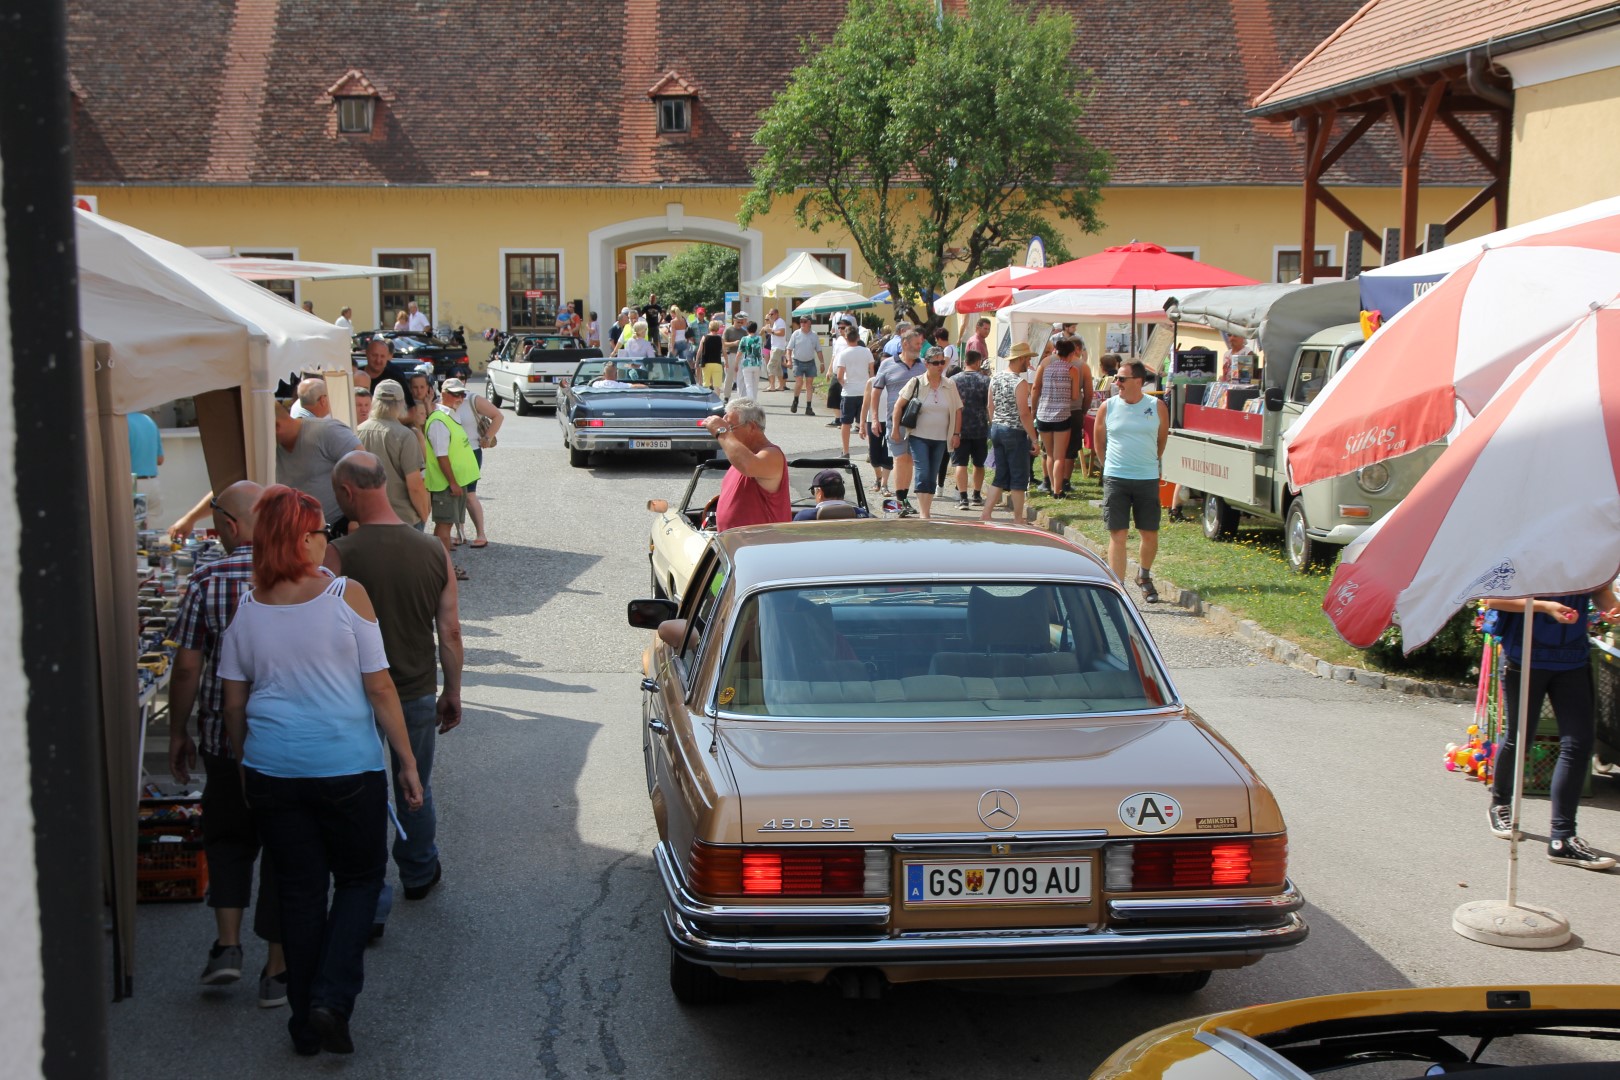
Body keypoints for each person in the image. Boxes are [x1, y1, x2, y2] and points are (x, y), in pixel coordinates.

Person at [218, 485, 423, 1057]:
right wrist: (406, 762)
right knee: (359, 880)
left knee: (300, 891)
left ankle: (305, 1021)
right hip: (345, 767)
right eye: (318, 532)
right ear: (302, 537)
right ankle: (331, 1000)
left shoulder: (249, 605)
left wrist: (243, 763)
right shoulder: (345, 595)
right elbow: (380, 687)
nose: (323, 540)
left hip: (271, 767)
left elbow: (234, 702)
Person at [167, 480, 287, 1008]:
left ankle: (228, 947)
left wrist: (177, 728)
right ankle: (278, 970)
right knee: (286, 849)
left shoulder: (208, 578)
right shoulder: (304, 577)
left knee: (229, 839)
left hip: (222, 739)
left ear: (231, 526)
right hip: (287, 742)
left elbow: (188, 664)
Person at [328, 452, 464, 909]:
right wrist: (453, 690)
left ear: (347, 492)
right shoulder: (433, 551)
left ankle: (368, 892)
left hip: (352, 697)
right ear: (384, 484)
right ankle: (419, 870)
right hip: (416, 690)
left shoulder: (338, 555)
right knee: (414, 785)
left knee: (360, 795)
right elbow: (449, 631)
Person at [1481, 587, 1620, 870]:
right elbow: (1494, 599)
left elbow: (1600, 590)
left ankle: (1562, 838)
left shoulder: (1586, 555)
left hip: (1573, 659)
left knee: (1579, 744)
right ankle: (1500, 803)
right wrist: (1544, 607)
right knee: (1520, 738)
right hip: (1524, 656)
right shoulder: (1527, 548)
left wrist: (1614, 607)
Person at [1092, 359, 1169, 603]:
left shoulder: (1157, 406)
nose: (1117, 383)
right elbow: (1099, 440)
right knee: (1118, 534)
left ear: (1138, 381)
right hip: (1116, 477)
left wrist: (1150, 461)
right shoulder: (1108, 406)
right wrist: (1109, 466)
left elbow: (1162, 439)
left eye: (1121, 379)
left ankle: (1144, 576)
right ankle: (1118, 587)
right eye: (1116, 378)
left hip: (1146, 477)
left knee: (1149, 532)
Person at [891, 346, 962, 520]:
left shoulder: (950, 384)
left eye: (942, 362)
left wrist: (956, 434)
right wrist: (894, 429)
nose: (940, 366)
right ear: (926, 364)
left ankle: (926, 509)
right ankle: (924, 514)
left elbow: (959, 410)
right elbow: (898, 406)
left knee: (932, 473)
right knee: (923, 472)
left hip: (941, 438)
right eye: (936, 362)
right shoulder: (916, 382)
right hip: (919, 436)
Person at [699, 398, 790, 530]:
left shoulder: (772, 455)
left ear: (752, 427)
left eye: (730, 427)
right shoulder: (741, 454)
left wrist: (722, 432)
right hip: (737, 545)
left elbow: (748, 465)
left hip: (761, 546)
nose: (728, 432)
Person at [423, 378, 480, 581]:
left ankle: (444, 567)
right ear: (444, 393)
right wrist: (453, 483)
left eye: (463, 394)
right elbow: (441, 456)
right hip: (446, 484)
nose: (460, 398)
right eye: (456, 394)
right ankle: (444, 569)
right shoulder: (439, 419)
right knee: (444, 527)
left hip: (454, 483)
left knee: (446, 526)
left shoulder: (449, 416)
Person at [868, 329, 927, 517]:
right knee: (900, 459)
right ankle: (901, 501)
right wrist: (875, 419)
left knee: (909, 461)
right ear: (905, 344)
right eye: (917, 344)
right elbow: (875, 393)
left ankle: (904, 498)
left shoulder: (923, 366)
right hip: (895, 422)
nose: (920, 348)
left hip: (918, 421)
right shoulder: (886, 365)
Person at [355, 380, 430, 528]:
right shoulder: (405, 435)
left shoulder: (356, 431)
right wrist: (424, 515)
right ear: (401, 404)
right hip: (402, 517)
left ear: (374, 402)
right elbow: (415, 485)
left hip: (367, 516)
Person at [275, 400, 362, 526]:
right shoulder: (272, 450)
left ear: (277, 426)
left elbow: (365, 470)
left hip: (338, 526)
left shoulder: (327, 430)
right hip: (300, 531)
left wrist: (357, 519)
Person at [981, 342, 1040, 526]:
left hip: (997, 428)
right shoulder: (1019, 383)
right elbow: (1024, 412)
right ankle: (1017, 518)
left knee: (1000, 473)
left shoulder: (996, 377)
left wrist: (996, 423)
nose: (1029, 362)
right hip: (1014, 431)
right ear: (1020, 358)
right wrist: (1034, 438)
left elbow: (990, 406)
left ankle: (986, 513)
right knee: (1019, 476)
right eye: (1027, 358)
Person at [453, 379, 503, 548]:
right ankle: (460, 534)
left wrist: (487, 437)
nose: (456, 395)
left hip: (472, 451)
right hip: (450, 454)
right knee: (455, 494)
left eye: (459, 390)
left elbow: (498, 416)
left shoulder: (472, 399)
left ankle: (480, 534)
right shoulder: (440, 403)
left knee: (469, 494)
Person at [1031, 337, 1080, 497]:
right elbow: (1074, 396)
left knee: (1049, 453)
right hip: (1062, 415)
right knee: (1060, 456)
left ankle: (1051, 485)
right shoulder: (1072, 370)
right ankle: (1058, 490)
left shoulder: (1046, 367)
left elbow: (1036, 388)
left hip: (1043, 414)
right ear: (1071, 353)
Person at [950, 349, 991, 509]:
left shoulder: (953, 380)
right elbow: (989, 405)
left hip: (958, 428)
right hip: (980, 427)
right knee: (978, 464)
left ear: (965, 361)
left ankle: (962, 498)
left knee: (960, 464)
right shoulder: (985, 380)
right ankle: (976, 495)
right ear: (977, 362)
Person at [832, 325, 874, 458]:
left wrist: (845, 384)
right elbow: (872, 371)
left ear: (846, 337)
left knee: (845, 423)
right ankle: (870, 450)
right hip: (864, 391)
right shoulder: (867, 351)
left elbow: (839, 375)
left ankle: (846, 451)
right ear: (858, 337)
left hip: (849, 392)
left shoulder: (843, 354)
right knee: (866, 421)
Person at [1060, 339, 1095, 493]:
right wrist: (1084, 410)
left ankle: (1050, 480)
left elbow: (1037, 388)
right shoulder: (1082, 366)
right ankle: (1065, 481)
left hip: (1051, 411)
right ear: (1076, 350)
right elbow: (1088, 393)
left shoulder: (1049, 363)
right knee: (1071, 448)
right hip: (1073, 410)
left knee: (1053, 448)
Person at [859, 370, 892, 495]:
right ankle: (878, 478)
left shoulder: (895, 381)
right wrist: (862, 424)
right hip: (873, 421)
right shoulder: (872, 382)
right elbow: (865, 404)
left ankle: (884, 484)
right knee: (874, 454)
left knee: (889, 454)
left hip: (890, 421)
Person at [791, 469, 870, 521]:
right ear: (842, 491)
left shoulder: (804, 517)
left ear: (819, 492)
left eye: (813, 491)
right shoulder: (861, 514)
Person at [786, 316, 823, 414]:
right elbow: (789, 349)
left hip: (810, 362)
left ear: (809, 323)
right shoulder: (796, 334)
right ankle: (795, 400)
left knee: (809, 384)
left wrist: (822, 363)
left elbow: (818, 350)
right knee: (799, 383)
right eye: (801, 321)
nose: (802, 323)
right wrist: (789, 360)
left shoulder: (814, 335)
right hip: (797, 361)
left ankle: (809, 407)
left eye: (804, 321)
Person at [127, 410, 164, 478]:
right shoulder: (150, 420)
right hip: (152, 481)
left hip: (132, 480)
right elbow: (160, 460)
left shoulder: (122, 422)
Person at [736, 321, 765, 401]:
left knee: (748, 385)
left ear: (747, 329)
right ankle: (754, 401)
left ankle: (751, 402)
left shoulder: (744, 339)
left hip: (747, 364)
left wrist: (736, 363)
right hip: (757, 363)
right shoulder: (759, 338)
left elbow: (739, 353)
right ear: (755, 329)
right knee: (755, 385)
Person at [695, 319, 726, 391]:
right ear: (717, 328)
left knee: (706, 385)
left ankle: (707, 401)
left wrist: (696, 361)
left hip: (706, 363)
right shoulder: (720, 338)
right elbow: (724, 351)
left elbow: (699, 350)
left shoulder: (704, 338)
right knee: (717, 386)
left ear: (709, 327)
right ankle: (717, 401)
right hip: (717, 363)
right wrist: (726, 362)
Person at [768, 309, 790, 392]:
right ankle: (781, 386)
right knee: (778, 368)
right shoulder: (776, 322)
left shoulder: (780, 321)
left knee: (770, 366)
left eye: (772, 314)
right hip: (777, 347)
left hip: (777, 348)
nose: (770, 316)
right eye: (769, 314)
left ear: (777, 314)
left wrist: (772, 331)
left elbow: (782, 333)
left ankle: (772, 386)